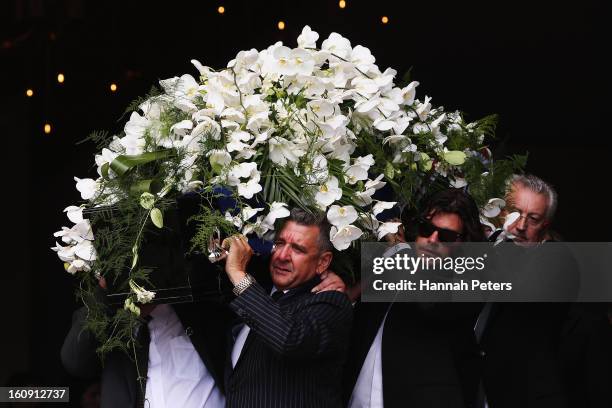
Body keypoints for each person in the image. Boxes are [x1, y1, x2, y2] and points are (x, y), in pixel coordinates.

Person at [475, 174, 609, 408]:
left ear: (545, 224)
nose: (521, 225)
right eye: (515, 213)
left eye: (533, 218)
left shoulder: (558, 261)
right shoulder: (504, 249)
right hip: (487, 387)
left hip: (528, 394)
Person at [344, 188, 485, 408]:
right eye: (426, 229)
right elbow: (352, 301)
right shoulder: (396, 263)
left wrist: (397, 252)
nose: (432, 240)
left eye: (446, 236)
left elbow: (427, 302)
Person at [222, 208, 353, 408]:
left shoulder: (331, 302)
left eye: (298, 249)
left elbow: (289, 339)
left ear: (323, 262)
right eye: (280, 243)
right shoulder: (262, 290)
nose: (282, 255)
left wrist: (237, 273)